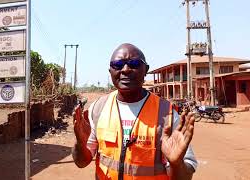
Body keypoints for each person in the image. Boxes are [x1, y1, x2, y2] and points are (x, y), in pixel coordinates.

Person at [72, 43, 197, 180]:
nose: (125, 69)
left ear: (146, 70)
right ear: (110, 72)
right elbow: (81, 162)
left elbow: (184, 177)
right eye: (117, 64)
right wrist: (80, 143)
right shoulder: (98, 108)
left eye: (134, 63)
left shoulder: (166, 114)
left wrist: (176, 163)